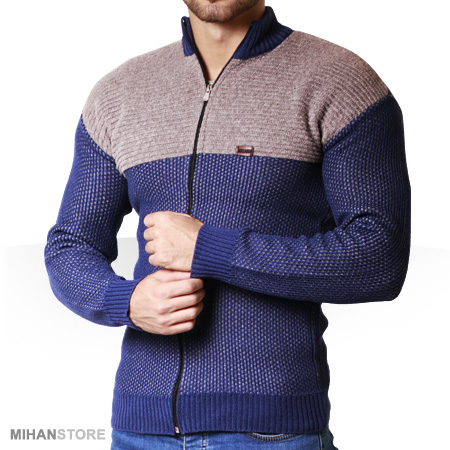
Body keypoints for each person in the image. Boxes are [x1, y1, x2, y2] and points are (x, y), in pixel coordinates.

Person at [44, 0, 411, 448]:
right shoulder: (119, 93)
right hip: (140, 429)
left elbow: (379, 256)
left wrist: (209, 249)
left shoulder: (340, 82)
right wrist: (127, 300)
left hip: (273, 431)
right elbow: (70, 245)